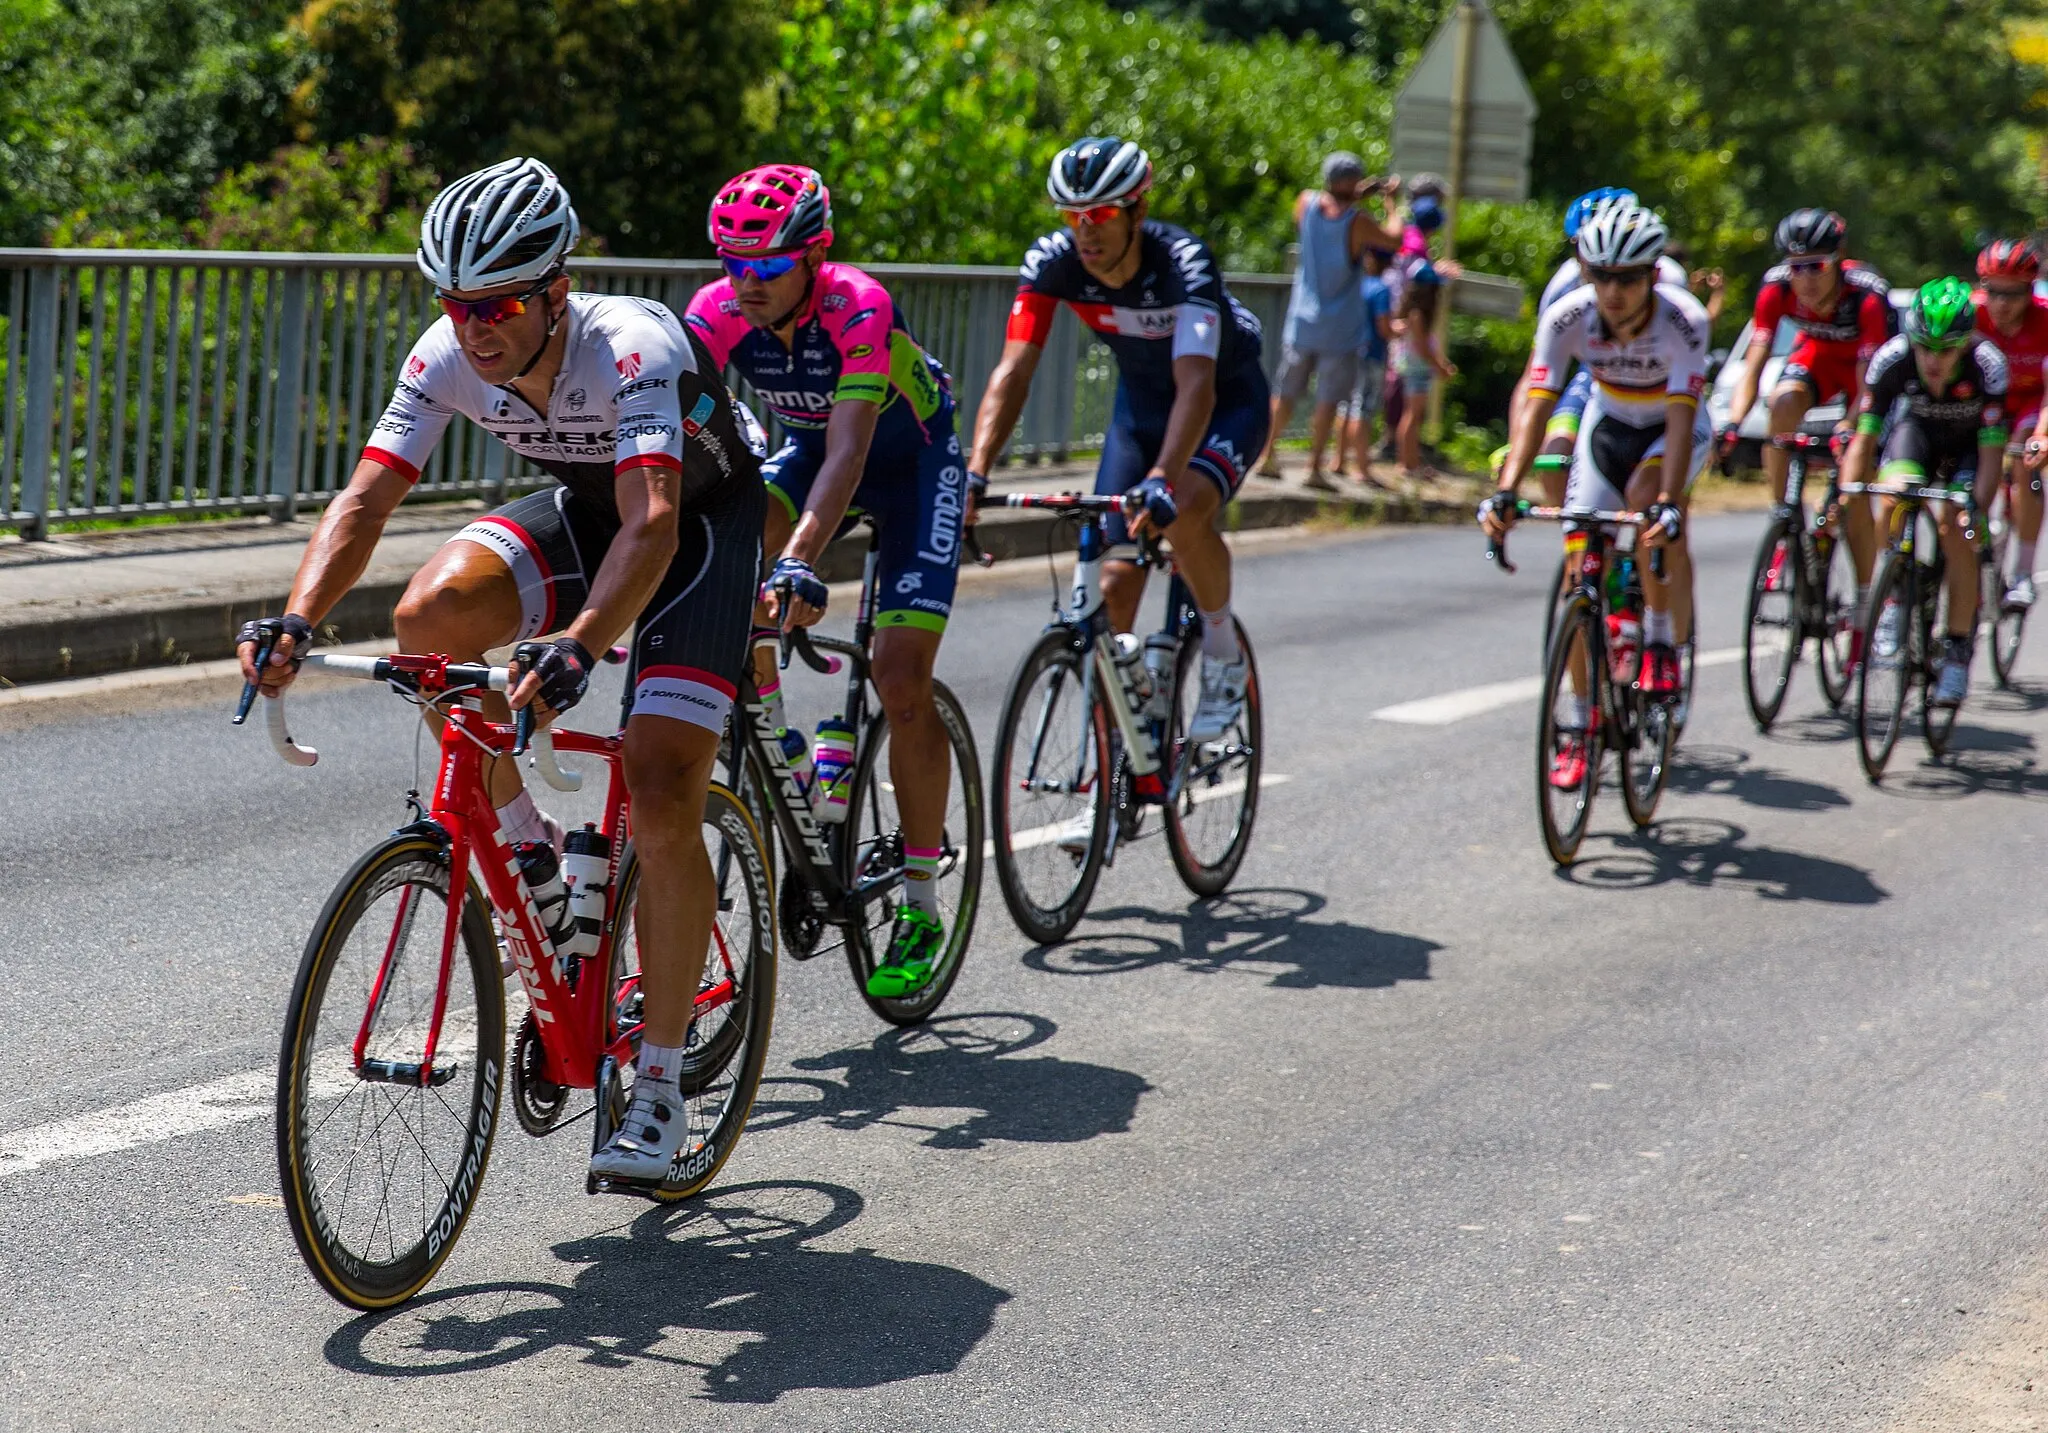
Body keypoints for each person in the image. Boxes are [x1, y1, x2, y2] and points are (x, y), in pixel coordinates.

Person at [234, 158, 767, 1186]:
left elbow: (654, 522)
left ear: (556, 290)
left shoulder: (634, 343)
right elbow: (362, 503)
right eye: (456, 303)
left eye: (501, 305)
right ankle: (533, 858)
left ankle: (658, 1085)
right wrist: (297, 616)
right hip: (589, 511)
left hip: (699, 528)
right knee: (427, 622)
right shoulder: (446, 354)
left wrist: (579, 644)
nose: (476, 327)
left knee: (659, 788)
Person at [682, 164, 964, 999]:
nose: (747, 284)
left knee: (900, 674)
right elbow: (683, 415)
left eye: (767, 267)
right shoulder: (718, 311)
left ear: (813, 257)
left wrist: (802, 557)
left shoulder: (858, 304)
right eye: (733, 265)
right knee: (726, 577)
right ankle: (791, 755)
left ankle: (920, 900)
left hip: (910, 465)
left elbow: (851, 453)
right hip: (809, 452)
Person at [966, 135, 1269, 748]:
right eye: (1073, 216)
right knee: (1112, 591)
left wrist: (1161, 478)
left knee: (1182, 511)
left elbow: (1197, 384)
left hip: (1222, 403)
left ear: (1136, 210)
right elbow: (1014, 370)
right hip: (1140, 412)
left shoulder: (1184, 262)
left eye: (1101, 215)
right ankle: (1116, 772)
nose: (1086, 231)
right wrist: (975, 474)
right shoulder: (1053, 263)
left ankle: (1220, 653)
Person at [1481, 202, 1712, 781]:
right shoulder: (1567, 317)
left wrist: (1667, 503)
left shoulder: (1683, 320)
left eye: (1628, 278)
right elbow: (1536, 405)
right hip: (1607, 428)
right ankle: (1579, 724)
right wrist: (1508, 488)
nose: (1613, 291)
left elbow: (1682, 417)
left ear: (1652, 276)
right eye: (1601, 275)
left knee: (1645, 501)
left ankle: (1660, 639)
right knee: (1580, 565)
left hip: (1671, 430)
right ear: (1585, 271)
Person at [1720, 208, 1893, 650]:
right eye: (1797, 267)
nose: (1806, 278)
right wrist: (1734, 422)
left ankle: (1864, 601)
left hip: (1862, 371)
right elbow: (1755, 360)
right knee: (1782, 404)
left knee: (1853, 494)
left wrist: (1849, 427)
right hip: (1816, 357)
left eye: (1817, 265)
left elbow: (1870, 381)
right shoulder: (1776, 287)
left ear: (1839, 259)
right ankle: (1784, 511)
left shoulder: (1867, 295)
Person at [1839, 277, 2008, 706]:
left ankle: (1955, 649)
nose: (1933, 360)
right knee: (1891, 494)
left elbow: (1991, 456)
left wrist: (1977, 509)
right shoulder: (1891, 359)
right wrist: (1850, 492)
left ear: (1966, 343)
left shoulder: (1988, 366)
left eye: (1946, 349)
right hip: (1917, 438)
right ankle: (1894, 595)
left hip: (1968, 451)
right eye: (1924, 347)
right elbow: (1864, 439)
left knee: (1957, 528)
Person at [1252, 152, 1402, 488]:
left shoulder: (1306, 203)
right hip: (1340, 327)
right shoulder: (1357, 221)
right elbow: (1394, 238)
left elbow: (1324, 206)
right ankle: (1314, 467)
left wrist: (1350, 193)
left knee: (1285, 390)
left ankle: (1267, 455)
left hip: (1302, 318)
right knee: (1328, 398)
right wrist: (1392, 205)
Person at [1974, 239, 2048, 610]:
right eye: (1994, 292)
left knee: (2026, 455)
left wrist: (2042, 435)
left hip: (2032, 403)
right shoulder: (1970, 315)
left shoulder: (2045, 318)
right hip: (1987, 402)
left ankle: (2022, 573)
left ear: (2030, 291)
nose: (2002, 304)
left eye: (2013, 294)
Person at [1335, 248, 1395, 480]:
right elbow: (1383, 327)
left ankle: (1338, 460)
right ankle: (1361, 467)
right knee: (1363, 408)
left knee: (1344, 405)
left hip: (1349, 351)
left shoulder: (1357, 285)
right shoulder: (1381, 290)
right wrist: (1396, 330)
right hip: (1371, 354)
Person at [1392, 265, 1456, 479]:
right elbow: (1421, 346)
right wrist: (1439, 367)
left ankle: (1412, 462)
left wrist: (1440, 363)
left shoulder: (1413, 311)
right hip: (1417, 369)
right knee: (1412, 415)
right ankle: (1406, 463)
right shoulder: (1418, 313)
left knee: (1414, 416)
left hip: (1418, 368)